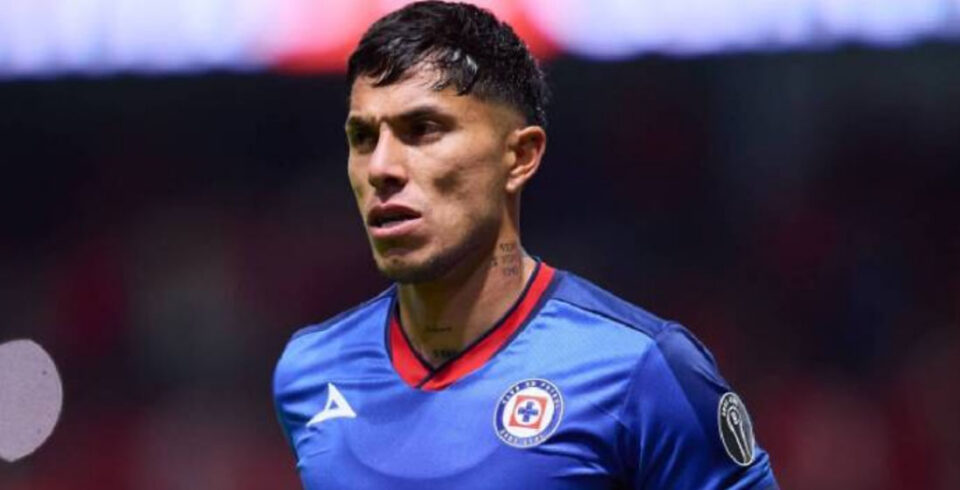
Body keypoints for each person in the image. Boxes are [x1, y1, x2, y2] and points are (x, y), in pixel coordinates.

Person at [273, 2, 778, 488]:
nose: (381, 168)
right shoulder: (310, 371)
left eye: (422, 129)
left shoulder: (641, 371)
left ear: (520, 156)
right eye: (363, 138)